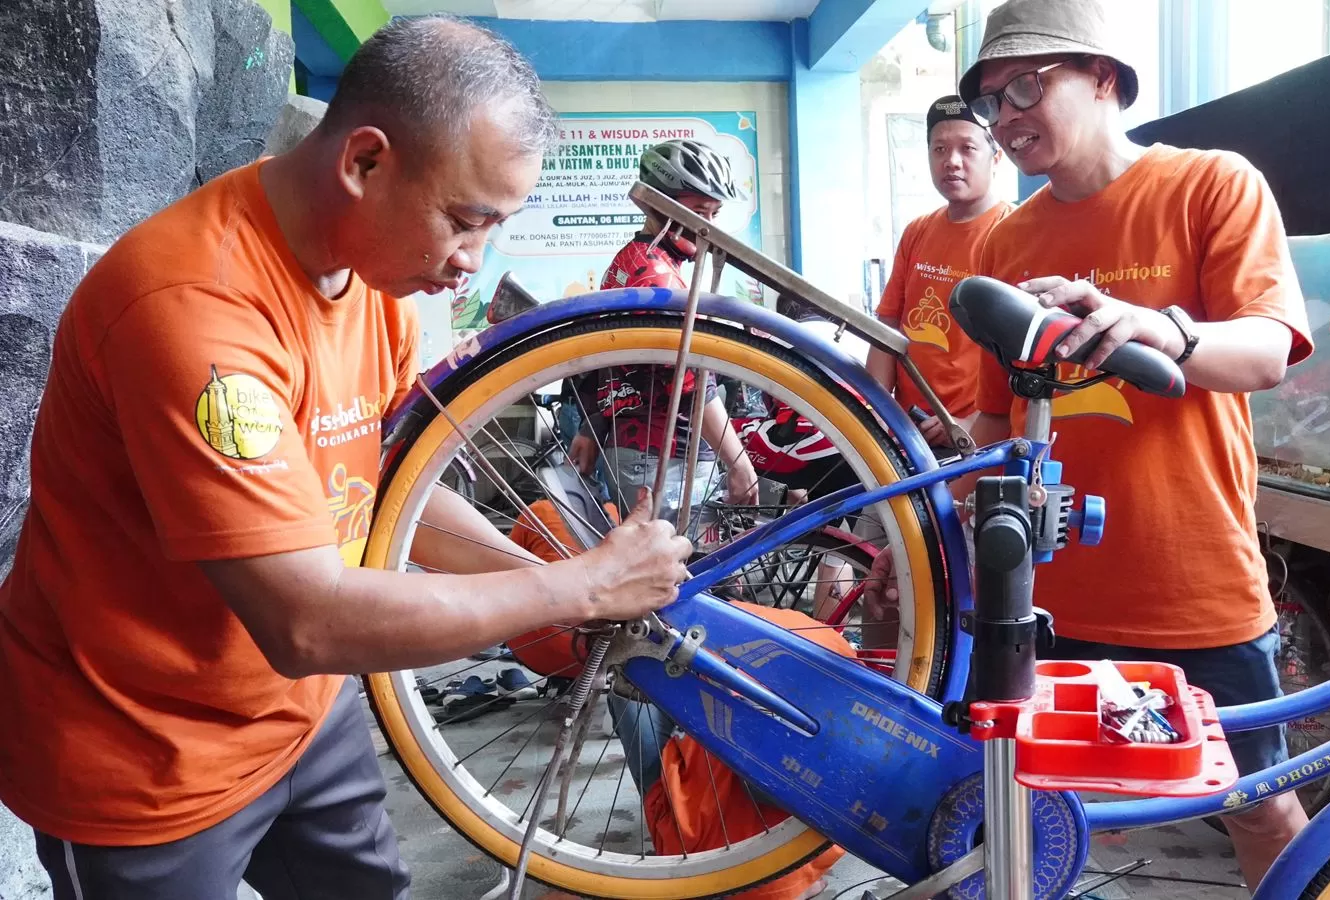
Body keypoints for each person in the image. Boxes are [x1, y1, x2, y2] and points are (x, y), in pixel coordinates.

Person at [0, 16, 693, 899]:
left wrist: (544, 585)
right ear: (365, 161)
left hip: (303, 716)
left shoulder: (374, 288)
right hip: (143, 757)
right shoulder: (192, 309)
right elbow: (306, 622)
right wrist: (578, 588)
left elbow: (394, 489)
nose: (471, 262)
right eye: (464, 221)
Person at [957, 0, 1316, 889]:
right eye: (992, 100)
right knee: (1025, 806)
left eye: (1026, 87)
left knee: (1257, 803)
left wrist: (1163, 330)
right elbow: (995, 423)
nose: (1005, 118)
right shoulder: (1007, 238)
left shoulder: (1210, 184)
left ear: (1105, 78)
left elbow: (1268, 351)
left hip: (1192, 584)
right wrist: (927, 518)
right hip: (1041, 594)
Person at [568, 138, 760, 522]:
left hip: (644, 451)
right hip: (661, 457)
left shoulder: (634, 260)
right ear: (659, 204)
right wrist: (738, 461)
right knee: (676, 562)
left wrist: (591, 428)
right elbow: (688, 381)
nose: (707, 226)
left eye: (714, 213)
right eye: (698, 212)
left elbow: (614, 365)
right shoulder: (656, 277)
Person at [867, 95, 1012, 451]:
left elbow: (1022, 354)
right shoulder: (917, 231)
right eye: (940, 149)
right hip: (907, 432)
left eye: (967, 148)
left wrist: (974, 423)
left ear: (995, 156)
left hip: (974, 437)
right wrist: (873, 415)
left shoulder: (1013, 233)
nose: (952, 161)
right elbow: (888, 327)